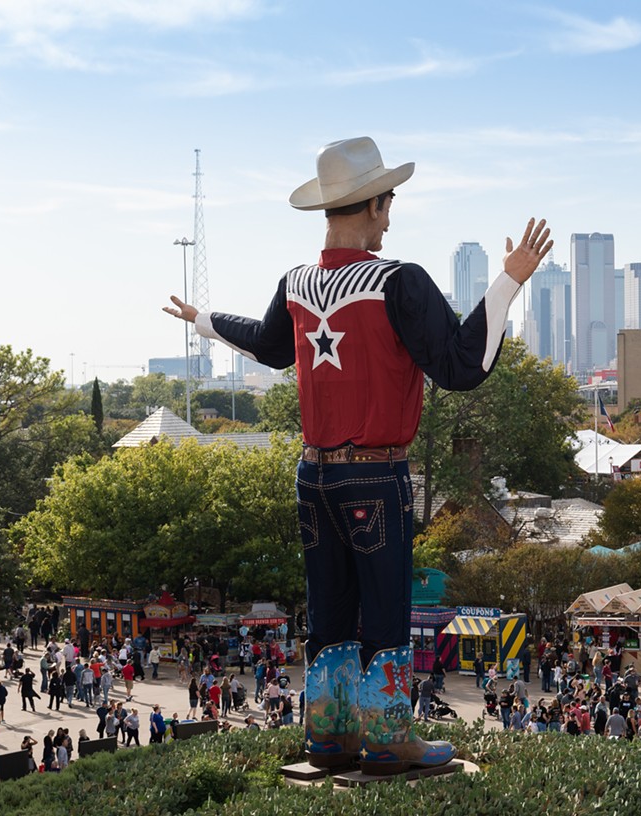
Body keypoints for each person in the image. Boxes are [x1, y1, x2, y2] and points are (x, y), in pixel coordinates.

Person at [164, 136, 551, 774]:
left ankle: (330, 737)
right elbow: (460, 366)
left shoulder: (297, 284)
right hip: (376, 476)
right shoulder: (400, 281)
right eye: (390, 200)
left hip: (312, 475)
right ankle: (391, 739)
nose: (392, 213)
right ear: (372, 204)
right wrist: (509, 282)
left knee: (330, 609)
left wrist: (204, 320)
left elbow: (267, 346)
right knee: (387, 611)